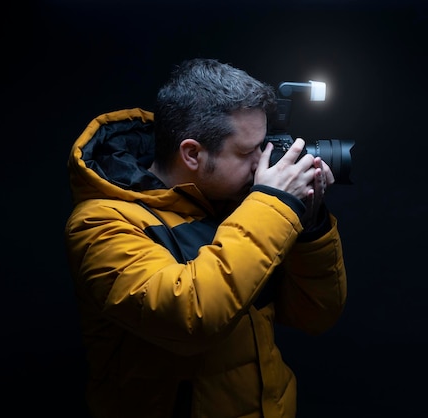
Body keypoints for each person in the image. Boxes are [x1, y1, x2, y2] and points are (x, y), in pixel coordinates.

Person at [64, 57, 347, 418]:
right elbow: (193, 319)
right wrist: (274, 203)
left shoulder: (238, 204)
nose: (265, 163)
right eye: (248, 152)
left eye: (266, 145)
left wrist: (308, 222)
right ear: (193, 153)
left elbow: (315, 315)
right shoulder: (100, 224)